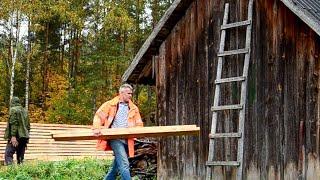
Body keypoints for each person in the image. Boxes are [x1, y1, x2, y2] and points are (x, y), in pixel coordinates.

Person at [92, 84, 143, 180]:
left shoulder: (134, 108)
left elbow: (139, 124)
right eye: (128, 93)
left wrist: (138, 132)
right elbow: (98, 116)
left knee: (115, 168)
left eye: (131, 94)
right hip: (115, 138)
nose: (130, 95)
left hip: (128, 140)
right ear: (121, 93)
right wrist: (96, 127)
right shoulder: (110, 105)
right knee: (124, 164)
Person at [4, 96, 30, 165]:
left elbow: (14, 123)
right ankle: (21, 174)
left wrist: (13, 136)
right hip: (23, 137)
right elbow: (28, 126)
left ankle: (11, 172)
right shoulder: (25, 111)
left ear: (12, 102)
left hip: (16, 136)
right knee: (20, 158)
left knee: (8, 154)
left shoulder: (13, 109)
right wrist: (26, 139)